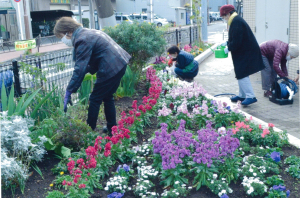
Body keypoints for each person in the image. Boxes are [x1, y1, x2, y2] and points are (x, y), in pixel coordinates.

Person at [53, 17, 131, 134]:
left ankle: (88, 131)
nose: (63, 40)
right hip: (119, 63)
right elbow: (95, 58)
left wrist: (69, 90)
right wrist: (84, 71)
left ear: (68, 32)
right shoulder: (88, 32)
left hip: (111, 68)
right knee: (107, 96)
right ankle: (112, 128)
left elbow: (80, 68)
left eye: (61, 37)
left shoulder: (82, 39)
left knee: (94, 99)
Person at [219, 5, 265, 106]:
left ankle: (250, 96)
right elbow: (236, 38)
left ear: (228, 14)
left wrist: (228, 48)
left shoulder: (236, 22)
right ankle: (242, 95)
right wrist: (227, 43)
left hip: (246, 52)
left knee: (242, 74)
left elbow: (237, 42)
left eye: (223, 17)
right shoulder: (235, 20)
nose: (224, 19)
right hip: (244, 52)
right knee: (240, 73)